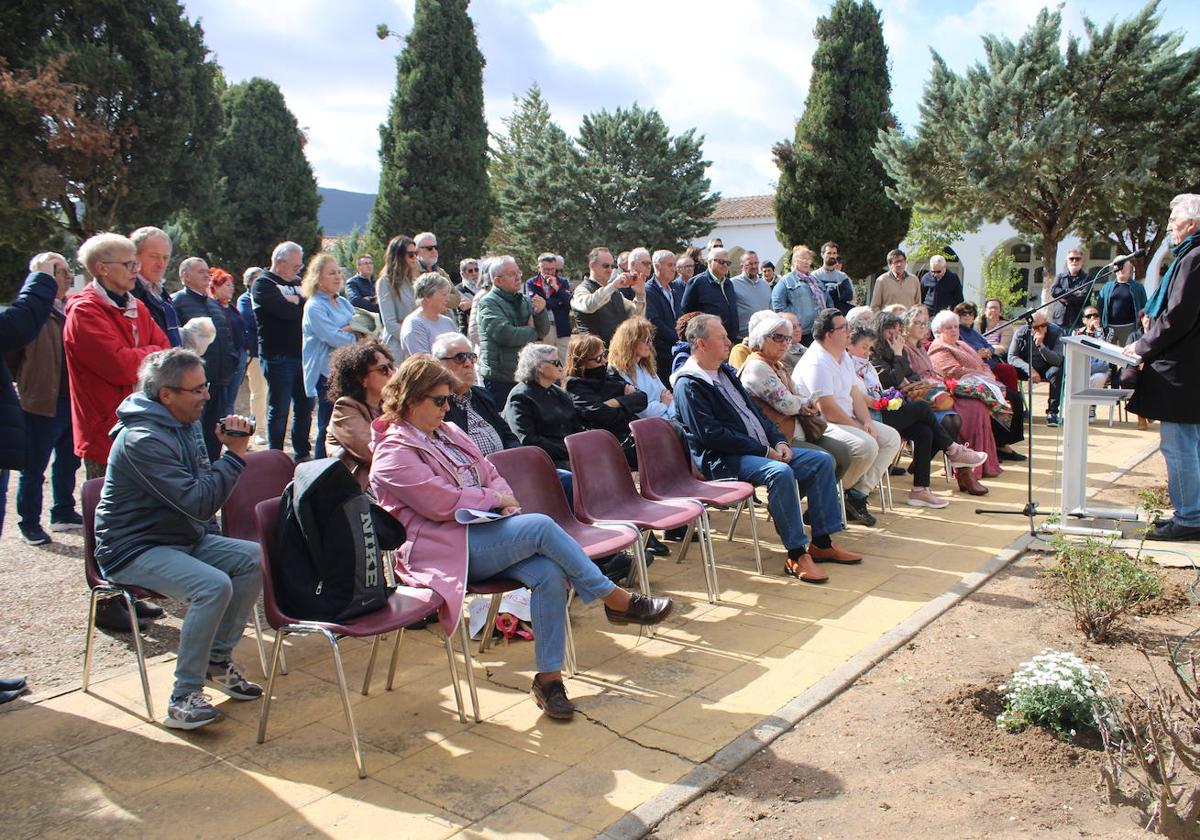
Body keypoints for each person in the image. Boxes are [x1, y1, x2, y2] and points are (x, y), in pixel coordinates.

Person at [370, 356, 673, 719]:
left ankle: (549, 681)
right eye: (439, 400)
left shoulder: (448, 432)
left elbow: (490, 472)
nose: (447, 407)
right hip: (442, 552)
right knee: (542, 526)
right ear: (410, 399)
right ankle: (614, 598)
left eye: (449, 399)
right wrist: (495, 500)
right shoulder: (392, 452)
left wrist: (501, 501)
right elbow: (441, 503)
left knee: (547, 573)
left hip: (483, 533)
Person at [94, 348, 262, 729]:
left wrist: (224, 454)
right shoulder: (142, 439)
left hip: (180, 536)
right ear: (166, 394)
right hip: (133, 547)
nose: (207, 395)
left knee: (254, 558)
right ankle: (183, 696)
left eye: (205, 386)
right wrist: (234, 455)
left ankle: (216, 662)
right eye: (197, 389)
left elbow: (202, 499)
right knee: (213, 586)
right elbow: (198, 501)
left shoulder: (182, 422)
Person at [672, 314, 860, 583]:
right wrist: (764, 451)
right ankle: (796, 553)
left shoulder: (724, 371)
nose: (729, 342)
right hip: (724, 460)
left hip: (758, 450)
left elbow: (757, 415)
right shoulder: (689, 383)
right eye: (721, 338)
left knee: (821, 461)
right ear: (701, 344)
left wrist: (779, 441)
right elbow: (712, 436)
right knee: (780, 472)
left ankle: (821, 542)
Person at [64, 233, 170, 481]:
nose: (136, 270)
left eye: (136, 264)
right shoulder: (84, 312)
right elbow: (120, 366)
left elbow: (166, 350)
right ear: (102, 269)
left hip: (143, 425)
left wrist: (145, 354)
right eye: (129, 264)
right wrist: (152, 353)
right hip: (106, 430)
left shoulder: (137, 306)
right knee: (110, 508)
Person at [1126, 193, 1200, 541]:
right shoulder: (1191, 256)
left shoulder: (1195, 258)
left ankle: (1189, 518)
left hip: (1183, 374)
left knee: (1180, 446)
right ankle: (1189, 512)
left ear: (1191, 224)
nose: (1170, 227)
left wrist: (1141, 345)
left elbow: (1178, 317)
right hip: (1185, 371)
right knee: (1187, 445)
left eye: (1173, 222)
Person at [846, 323, 986, 505]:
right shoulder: (849, 364)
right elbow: (859, 395)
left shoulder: (867, 364)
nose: (867, 352)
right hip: (869, 416)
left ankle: (920, 489)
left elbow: (894, 381)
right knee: (922, 408)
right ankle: (953, 450)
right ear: (849, 345)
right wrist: (883, 400)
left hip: (882, 409)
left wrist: (891, 395)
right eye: (864, 347)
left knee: (924, 431)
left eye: (869, 348)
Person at [0, 262, 56, 702]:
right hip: (36, 405)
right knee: (37, 471)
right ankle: (32, 520)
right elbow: (17, 325)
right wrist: (41, 276)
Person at [793, 309, 903, 518]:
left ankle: (855, 495)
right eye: (843, 328)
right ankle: (828, 496)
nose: (849, 331)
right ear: (829, 334)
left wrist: (867, 421)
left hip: (846, 419)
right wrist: (860, 428)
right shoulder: (817, 361)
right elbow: (827, 408)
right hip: (821, 423)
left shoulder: (842, 355)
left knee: (891, 438)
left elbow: (854, 392)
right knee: (867, 445)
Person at [872, 309, 996, 492]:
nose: (894, 335)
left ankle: (921, 489)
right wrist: (899, 356)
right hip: (884, 410)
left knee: (927, 431)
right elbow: (890, 379)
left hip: (912, 401)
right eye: (890, 331)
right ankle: (956, 454)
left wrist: (917, 379)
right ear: (879, 330)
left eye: (897, 331)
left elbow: (910, 375)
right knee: (938, 413)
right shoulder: (879, 353)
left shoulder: (905, 350)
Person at [9, 253, 82, 545]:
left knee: (69, 460)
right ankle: (29, 522)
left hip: (71, 399)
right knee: (34, 465)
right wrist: (29, 384)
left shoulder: (71, 309)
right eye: (58, 271)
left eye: (67, 270)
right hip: (40, 401)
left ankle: (63, 510)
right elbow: (13, 356)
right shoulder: (31, 312)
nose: (65, 276)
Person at [736, 312, 858, 487]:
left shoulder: (777, 365)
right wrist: (804, 404)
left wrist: (803, 403)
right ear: (760, 339)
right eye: (778, 337)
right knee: (826, 461)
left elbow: (798, 397)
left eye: (787, 338)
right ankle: (793, 504)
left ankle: (807, 503)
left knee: (844, 453)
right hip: (777, 437)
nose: (785, 342)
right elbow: (788, 404)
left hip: (798, 430)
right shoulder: (757, 367)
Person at [929, 311, 1031, 458]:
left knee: (1013, 397)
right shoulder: (939, 347)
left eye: (956, 327)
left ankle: (1002, 444)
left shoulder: (961, 344)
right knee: (1001, 399)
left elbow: (980, 362)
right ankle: (998, 445)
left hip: (978, 382)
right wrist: (982, 374)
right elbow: (952, 371)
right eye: (949, 328)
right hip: (959, 387)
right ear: (938, 331)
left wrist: (987, 374)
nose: (954, 330)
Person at [172, 258, 239, 462]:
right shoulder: (177, 302)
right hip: (193, 384)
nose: (206, 275)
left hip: (219, 380)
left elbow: (226, 336)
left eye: (207, 272)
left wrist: (231, 360)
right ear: (186, 276)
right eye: (200, 272)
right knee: (194, 430)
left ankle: (213, 468)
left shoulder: (214, 304)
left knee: (214, 430)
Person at [252, 241, 312, 461]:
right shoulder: (262, 284)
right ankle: (274, 455)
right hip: (277, 356)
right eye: (295, 266)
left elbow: (308, 310)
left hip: (302, 356)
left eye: (300, 266)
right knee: (279, 409)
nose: (298, 270)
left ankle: (301, 453)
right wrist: (297, 303)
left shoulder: (299, 283)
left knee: (305, 408)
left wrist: (295, 301)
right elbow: (287, 313)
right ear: (279, 262)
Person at [301, 254, 356, 459]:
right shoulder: (314, 306)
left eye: (338, 272)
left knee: (346, 424)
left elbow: (365, 326)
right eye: (331, 273)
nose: (337, 277)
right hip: (326, 374)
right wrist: (352, 332)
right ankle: (319, 473)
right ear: (318, 277)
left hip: (347, 371)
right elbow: (333, 337)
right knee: (327, 425)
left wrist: (348, 330)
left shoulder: (342, 302)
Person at [563, 333, 646, 470]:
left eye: (604, 354)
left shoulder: (609, 374)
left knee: (673, 432)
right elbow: (600, 414)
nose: (604, 361)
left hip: (629, 432)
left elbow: (642, 398)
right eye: (598, 358)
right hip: (610, 442)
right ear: (583, 363)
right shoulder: (576, 385)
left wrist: (613, 402)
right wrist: (627, 403)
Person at [476, 255, 550, 407]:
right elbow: (506, 335)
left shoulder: (523, 300)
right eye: (512, 274)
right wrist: (533, 332)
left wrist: (540, 312)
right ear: (497, 280)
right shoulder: (488, 303)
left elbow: (543, 331)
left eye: (518, 272)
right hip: (500, 378)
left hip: (524, 374)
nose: (518, 277)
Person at [433, 333, 517, 457]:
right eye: (460, 357)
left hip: (505, 468)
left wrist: (516, 456)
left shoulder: (482, 395)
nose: (468, 363)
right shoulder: (438, 403)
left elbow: (507, 435)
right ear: (439, 364)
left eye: (471, 357)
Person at [503, 342, 583, 471]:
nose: (561, 367)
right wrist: (568, 450)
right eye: (556, 363)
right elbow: (528, 440)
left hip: (569, 453)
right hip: (545, 462)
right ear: (539, 366)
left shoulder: (559, 392)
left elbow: (575, 426)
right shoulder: (520, 397)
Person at [325, 340, 394, 490]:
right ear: (362, 379)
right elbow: (374, 451)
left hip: (386, 481)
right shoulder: (345, 408)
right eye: (383, 369)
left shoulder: (386, 405)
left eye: (391, 366)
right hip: (359, 493)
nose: (391, 373)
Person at [571, 247, 647, 344]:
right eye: (606, 266)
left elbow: (635, 316)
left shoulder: (614, 292)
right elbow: (589, 305)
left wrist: (640, 294)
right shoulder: (581, 289)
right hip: (594, 355)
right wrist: (613, 285)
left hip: (618, 352)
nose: (610, 270)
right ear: (592, 265)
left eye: (612, 266)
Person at [608, 317, 675, 422]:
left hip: (669, 420)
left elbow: (668, 397)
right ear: (631, 342)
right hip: (650, 428)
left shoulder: (645, 366)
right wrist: (663, 404)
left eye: (650, 339)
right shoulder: (619, 372)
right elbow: (642, 411)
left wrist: (672, 415)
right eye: (645, 340)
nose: (650, 345)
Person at [1007, 310, 1065, 426]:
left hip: (1047, 366)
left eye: (1043, 325)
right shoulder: (1021, 332)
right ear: (1030, 327)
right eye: (1036, 327)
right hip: (1027, 367)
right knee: (1009, 371)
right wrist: (1029, 369)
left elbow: (1058, 360)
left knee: (1057, 372)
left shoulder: (1056, 332)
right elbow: (1012, 357)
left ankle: (1052, 412)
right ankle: (1016, 409)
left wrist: (1041, 346)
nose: (1040, 329)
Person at [208, 268, 249, 428]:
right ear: (215, 287)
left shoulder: (231, 307)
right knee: (221, 399)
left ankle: (231, 432)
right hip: (224, 359)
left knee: (231, 398)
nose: (231, 288)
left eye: (232, 285)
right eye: (227, 285)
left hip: (239, 356)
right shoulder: (212, 307)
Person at [129, 226, 182, 347]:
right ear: (134, 256)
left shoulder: (160, 293)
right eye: (154, 256)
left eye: (165, 257)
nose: (161, 264)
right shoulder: (128, 295)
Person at [772, 245, 832, 345]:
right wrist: (792, 323)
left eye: (809, 259)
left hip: (819, 330)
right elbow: (778, 306)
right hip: (801, 334)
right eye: (803, 259)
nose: (806, 262)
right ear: (795, 261)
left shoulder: (815, 281)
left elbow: (828, 302)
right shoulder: (786, 281)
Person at [681, 246, 740, 342]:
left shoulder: (728, 283)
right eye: (721, 262)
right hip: (709, 341)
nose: (725, 265)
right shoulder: (697, 282)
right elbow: (686, 312)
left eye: (728, 263)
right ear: (709, 262)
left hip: (730, 340)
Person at [236, 267, 268, 445]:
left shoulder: (267, 297)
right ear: (248, 281)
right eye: (257, 278)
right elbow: (252, 321)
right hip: (256, 353)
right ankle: (259, 430)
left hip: (272, 351)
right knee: (259, 392)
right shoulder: (245, 299)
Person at [645, 249, 686, 386]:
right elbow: (654, 322)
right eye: (670, 265)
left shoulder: (673, 290)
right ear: (657, 266)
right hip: (661, 353)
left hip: (676, 349)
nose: (674, 269)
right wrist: (678, 338)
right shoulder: (648, 290)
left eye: (675, 265)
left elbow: (679, 316)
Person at [377, 235, 420, 360]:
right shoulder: (385, 282)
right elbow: (390, 323)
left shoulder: (414, 281)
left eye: (416, 253)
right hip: (397, 347)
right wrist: (412, 337)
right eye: (411, 254)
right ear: (399, 256)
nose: (415, 258)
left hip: (417, 344)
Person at [399, 272, 457, 359]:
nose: (447, 299)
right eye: (444, 294)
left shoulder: (448, 322)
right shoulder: (414, 324)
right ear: (427, 296)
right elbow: (425, 363)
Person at [526, 253, 573, 356]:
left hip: (562, 328)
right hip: (543, 328)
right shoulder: (531, 283)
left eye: (552, 269)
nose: (549, 272)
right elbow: (535, 304)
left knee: (564, 363)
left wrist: (556, 288)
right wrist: (558, 302)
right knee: (545, 361)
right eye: (546, 269)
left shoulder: (562, 282)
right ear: (539, 268)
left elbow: (570, 302)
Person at [1098, 259, 1147, 347]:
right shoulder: (1107, 287)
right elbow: (1100, 306)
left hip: (1129, 328)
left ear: (1130, 268)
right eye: (1118, 265)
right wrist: (1101, 325)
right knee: (1109, 356)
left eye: (1124, 265)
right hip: (1109, 328)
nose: (1121, 268)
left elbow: (1144, 307)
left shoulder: (1138, 287)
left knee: (1126, 355)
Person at [730, 250, 771, 338]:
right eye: (750, 263)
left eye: (756, 263)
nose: (754, 266)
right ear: (742, 266)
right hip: (744, 337)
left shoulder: (765, 285)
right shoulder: (732, 284)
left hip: (765, 335)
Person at [1049, 248, 1092, 330]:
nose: (1074, 261)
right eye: (1071, 258)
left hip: (1077, 321)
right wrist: (1073, 292)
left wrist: (1063, 297)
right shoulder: (1060, 277)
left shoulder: (1088, 278)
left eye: (1077, 259)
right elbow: (1053, 291)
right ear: (1067, 261)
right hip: (1059, 320)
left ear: (1082, 261)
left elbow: (1083, 296)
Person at [812, 242, 855, 315]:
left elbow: (850, 297)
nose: (832, 255)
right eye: (829, 253)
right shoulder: (814, 276)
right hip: (820, 315)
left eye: (834, 253)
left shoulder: (843, 277)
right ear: (822, 255)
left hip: (839, 315)